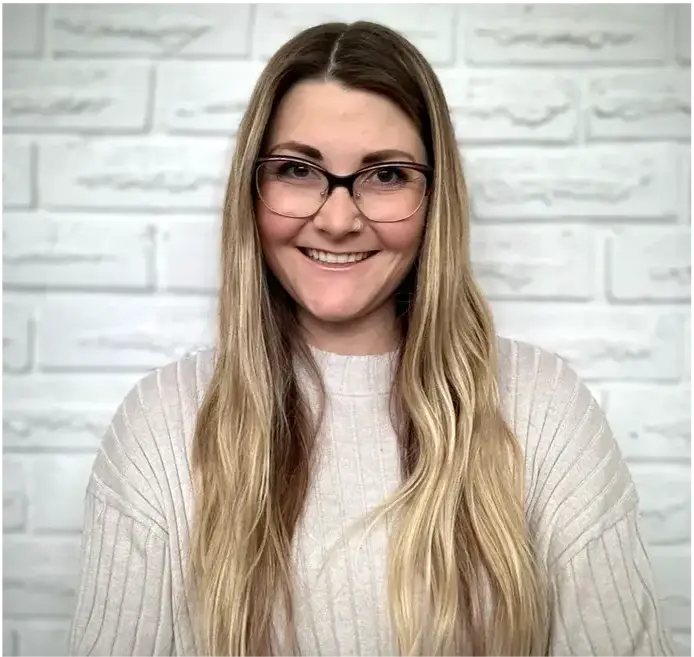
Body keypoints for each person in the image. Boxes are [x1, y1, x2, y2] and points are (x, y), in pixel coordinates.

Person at [68, 20, 673, 657]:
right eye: (299, 169)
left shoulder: (544, 413)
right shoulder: (160, 426)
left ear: (434, 199)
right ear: (253, 189)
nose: (336, 218)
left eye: (385, 176)